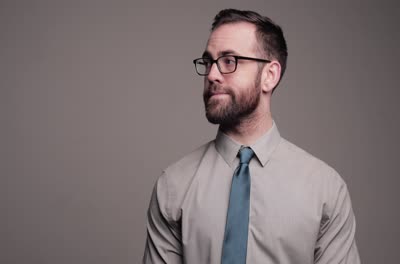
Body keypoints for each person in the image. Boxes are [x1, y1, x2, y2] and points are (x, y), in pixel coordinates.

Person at [143, 9, 360, 264]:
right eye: (208, 62)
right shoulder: (173, 186)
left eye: (229, 61)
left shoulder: (325, 190)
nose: (212, 74)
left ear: (269, 75)